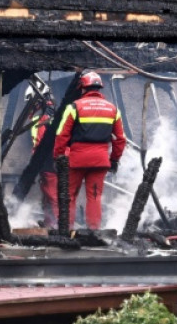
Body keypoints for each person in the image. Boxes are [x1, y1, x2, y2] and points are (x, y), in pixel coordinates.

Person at [53, 71, 126, 230]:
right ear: (99, 88)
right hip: (100, 161)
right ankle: (93, 231)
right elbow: (120, 139)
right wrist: (114, 160)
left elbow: (62, 135)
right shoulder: (113, 110)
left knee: (69, 197)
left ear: (83, 88)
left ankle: (66, 231)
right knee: (94, 197)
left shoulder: (74, 107)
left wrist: (58, 156)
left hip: (76, 160)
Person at [30, 96, 58, 227]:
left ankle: (58, 225)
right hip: (53, 161)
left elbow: (40, 142)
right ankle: (50, 223)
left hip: (49, 162)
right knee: (48, 195)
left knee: (52, 195)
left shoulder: (44, 120)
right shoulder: (55, 118)